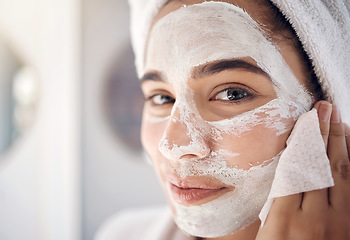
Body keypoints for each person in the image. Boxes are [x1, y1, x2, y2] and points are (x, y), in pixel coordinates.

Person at [95, 0, 350, 239]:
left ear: (331, 99)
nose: (173, 146)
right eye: (162, 98)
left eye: (232, 94)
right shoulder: (121, 233)